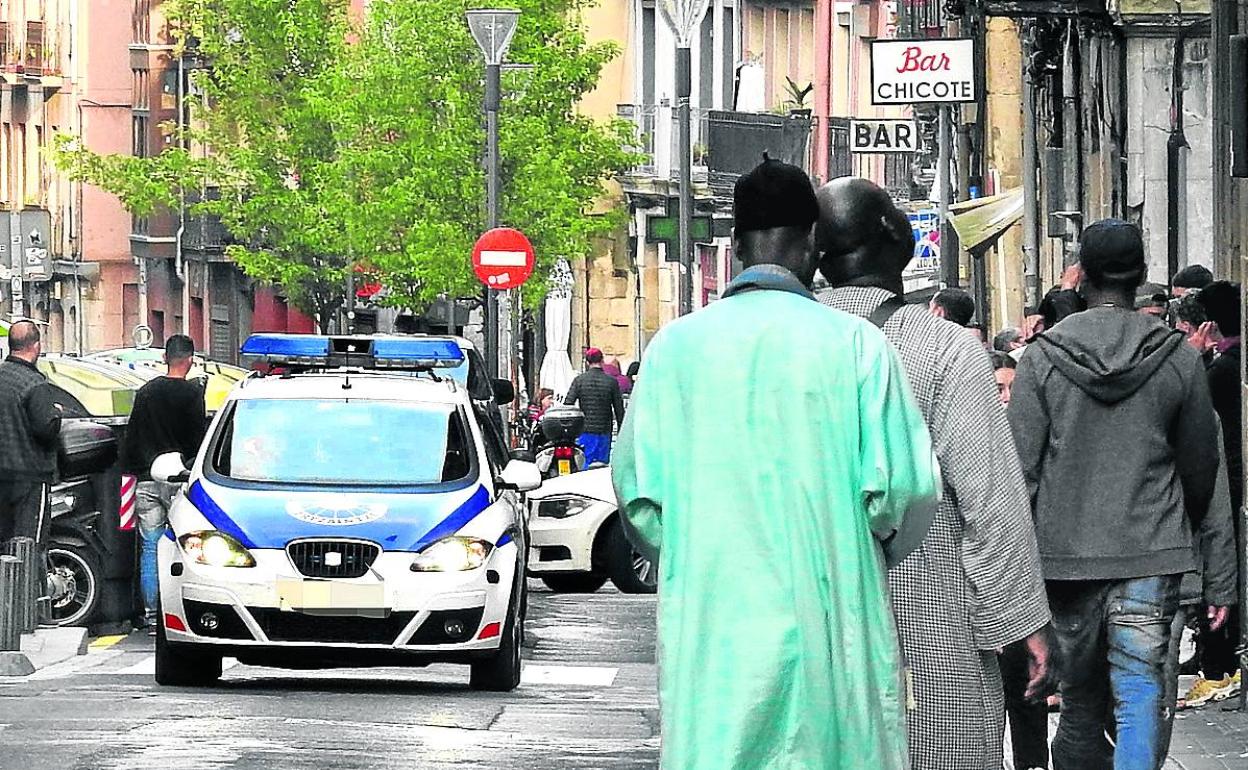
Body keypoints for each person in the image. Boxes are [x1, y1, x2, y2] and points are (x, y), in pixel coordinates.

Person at [612, 158, 941, 769]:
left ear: (735, 245)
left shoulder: (675, 352)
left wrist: (693, 551)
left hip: (716, 627)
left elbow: (638, 497)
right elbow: (910, 488)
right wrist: (858, 549)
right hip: (831, 617)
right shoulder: (858, 347)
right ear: (814, 242)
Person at [815, 177, 1055, 770]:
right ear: (895, 236)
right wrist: (1022, 622)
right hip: (929, 623)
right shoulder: (944, 348)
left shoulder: (787, 343)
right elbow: (990, 502)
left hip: (810, 624)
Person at [1008, 219, 1225, 769]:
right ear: (1142, 276)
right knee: (1139, 699)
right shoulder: (1178, 357)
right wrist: (1185, 537)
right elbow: (1200, 465)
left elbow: (1020, 475)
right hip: (1152, 553)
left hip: (1065, 562)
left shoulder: (1041, 358)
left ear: (1080, 276)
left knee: (1079, 704)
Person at [1180, 280, 1244, 706]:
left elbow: (1196, 417)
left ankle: (1218, 666)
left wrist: (1195, 361)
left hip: (1228, 479)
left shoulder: (1221, 369)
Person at [121, 334, 207, 627]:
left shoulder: (146, 392)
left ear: (164, 358)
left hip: (146, 479)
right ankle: (178, 613)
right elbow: (197, 440)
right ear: (190, 361)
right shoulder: (193, 395)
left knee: (150, 546)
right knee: (184, 545)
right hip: (179, 480)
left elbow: (131, 439)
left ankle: (151, 614)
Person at [0, 321, 63, 598]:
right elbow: (45, 429)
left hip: (3, 474)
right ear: (36, 346)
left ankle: (6, 610)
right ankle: (31, 607)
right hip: (29, 477)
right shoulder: (34, 384)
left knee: (4, 545)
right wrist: (57, 414)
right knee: (28, 544)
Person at [563, 348, 624, 466]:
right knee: (602, 465)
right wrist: (622, 431)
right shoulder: (611, 381)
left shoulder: (579, 380)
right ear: (602, 361)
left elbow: (568, 404)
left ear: (587, 362)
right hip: (604, 430)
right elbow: (619, 409)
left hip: (585, 430)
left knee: (586, 462)